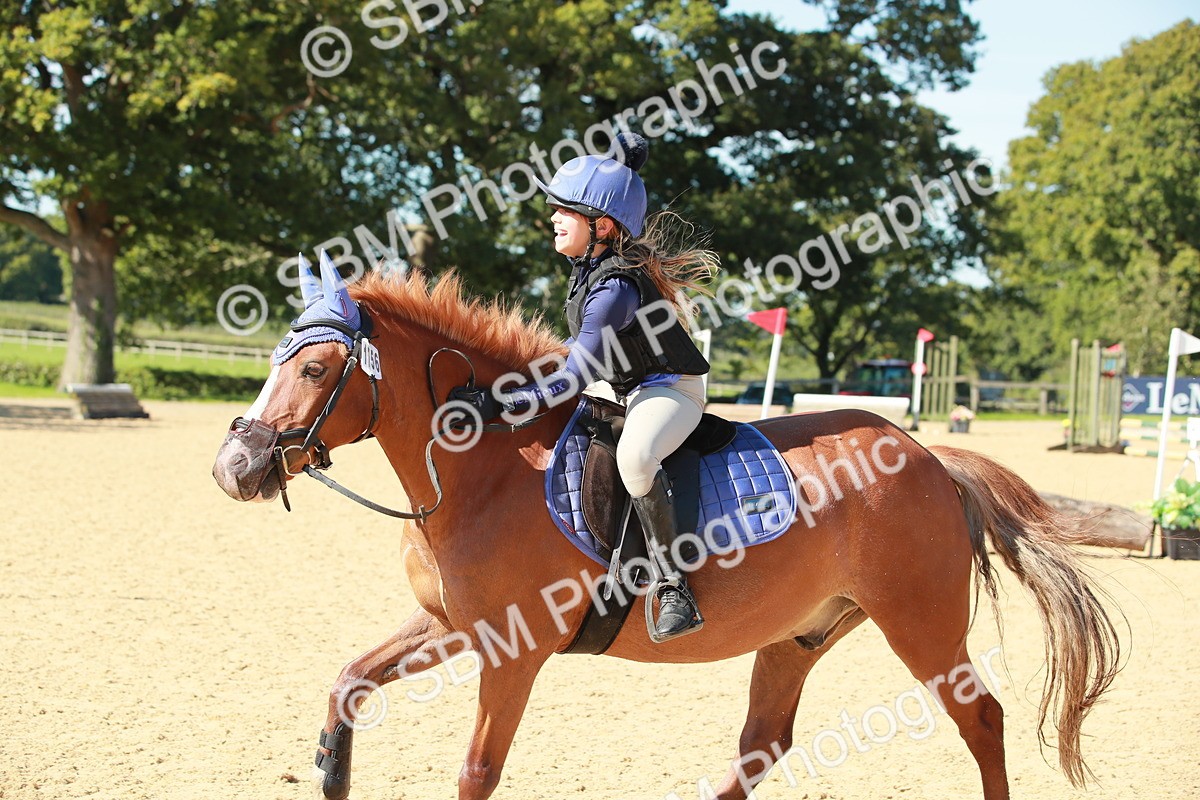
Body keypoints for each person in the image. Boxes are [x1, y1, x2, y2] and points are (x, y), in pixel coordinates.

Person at [449, 133, 718, 641]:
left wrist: (498, 404)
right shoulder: (587, 272)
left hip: (669, 389)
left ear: (603, 225)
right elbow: (576, 355)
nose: (552, 216)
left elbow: (574, 376)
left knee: (636, 458)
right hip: (624, 386)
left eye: (564, 210)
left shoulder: (614, 289)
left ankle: (672, 585)